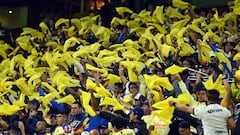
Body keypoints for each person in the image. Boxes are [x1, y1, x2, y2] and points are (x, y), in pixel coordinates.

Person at [169, 89, 236, 135]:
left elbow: (186, 109)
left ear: (207, 98)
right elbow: (233, 125)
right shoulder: (225, 110)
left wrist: (174, 104)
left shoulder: (203, 110)